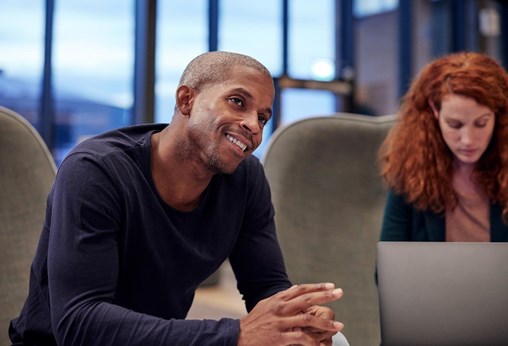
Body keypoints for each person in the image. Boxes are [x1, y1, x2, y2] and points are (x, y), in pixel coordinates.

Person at [8, 51, 349, 346]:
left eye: (262, 117)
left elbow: (266, 285)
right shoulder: (96, 171)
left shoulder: (246, 179)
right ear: (186, 100)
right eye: (237, 102)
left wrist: (296, 320)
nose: (254, 126)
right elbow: (79, 324)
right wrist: (237, 335)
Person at [378, 51, 508, 242]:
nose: (468, 140)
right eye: (455, 125)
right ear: (434, 110)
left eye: (481, 123)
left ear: (498, 114)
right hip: (426, 274)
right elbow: (387, 268)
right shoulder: (411, 169)